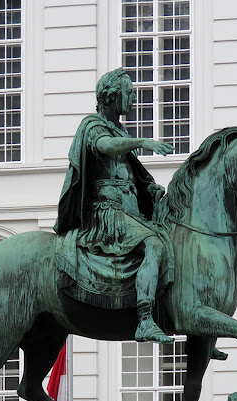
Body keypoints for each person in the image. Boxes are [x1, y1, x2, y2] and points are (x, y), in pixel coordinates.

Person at [54, 68, 174, 344]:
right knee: (153, 245)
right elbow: (106, 147)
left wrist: (149, 190)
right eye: (128, 92)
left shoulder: (120, 129)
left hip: (129, 211)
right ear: (110, 96)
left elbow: (132, 173)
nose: (133, 97)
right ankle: (144, 320)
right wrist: (141, 141)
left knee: (170, 241)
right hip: (106, 212)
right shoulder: (92, 126)